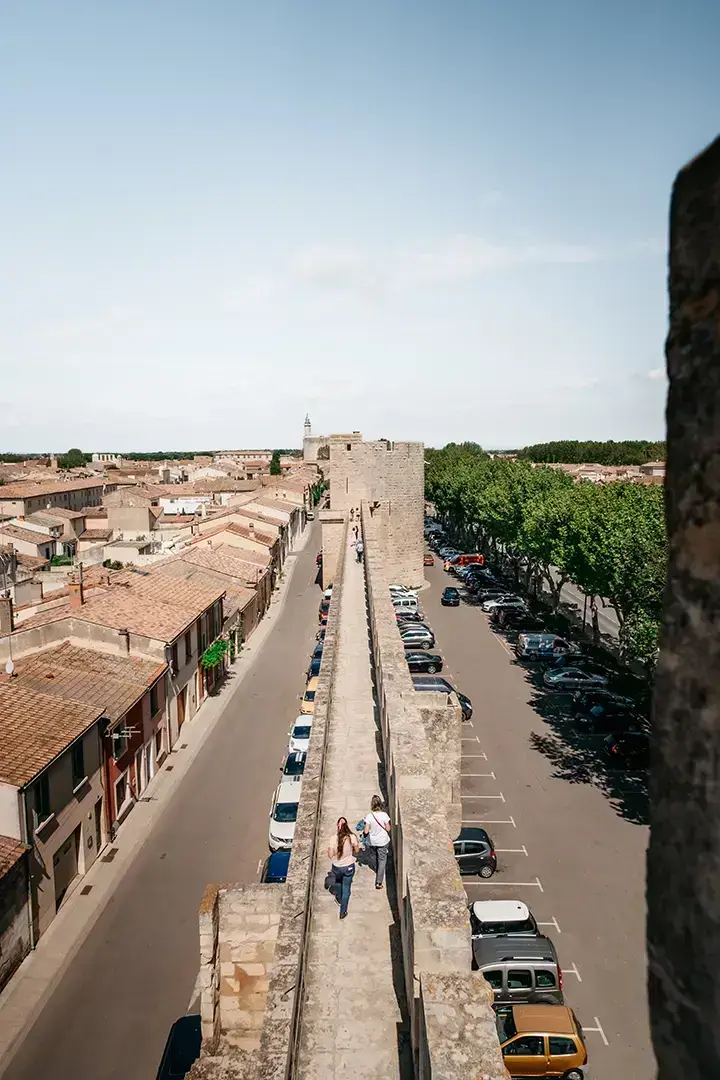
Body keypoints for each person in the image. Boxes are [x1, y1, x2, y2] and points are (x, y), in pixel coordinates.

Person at [328, 817, 360, 919]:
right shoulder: (351, 837)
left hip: (337, 866)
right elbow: (357, 850)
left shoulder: (333, 838)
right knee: (346, 888)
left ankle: (339, 898)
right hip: (348, 867)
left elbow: (330, 855)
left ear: (338, 826)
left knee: (338, 883)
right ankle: (343, 912)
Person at [363, 795, 391, 889]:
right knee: (382, 860)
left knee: (374, 856)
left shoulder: (369, 816)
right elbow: (388, 828)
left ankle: (376, 868)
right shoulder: (384, 815)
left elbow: (366, 831)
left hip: (373, 841)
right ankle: (379, 882)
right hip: (383, 841)